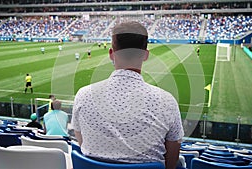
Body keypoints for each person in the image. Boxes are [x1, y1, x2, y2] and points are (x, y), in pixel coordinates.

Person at [72, 21, 184, 169]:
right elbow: (171, 161)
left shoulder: (83, 95)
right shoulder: (167, 101)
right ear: (145, 55)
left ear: (111, 54)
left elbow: (83, 145)